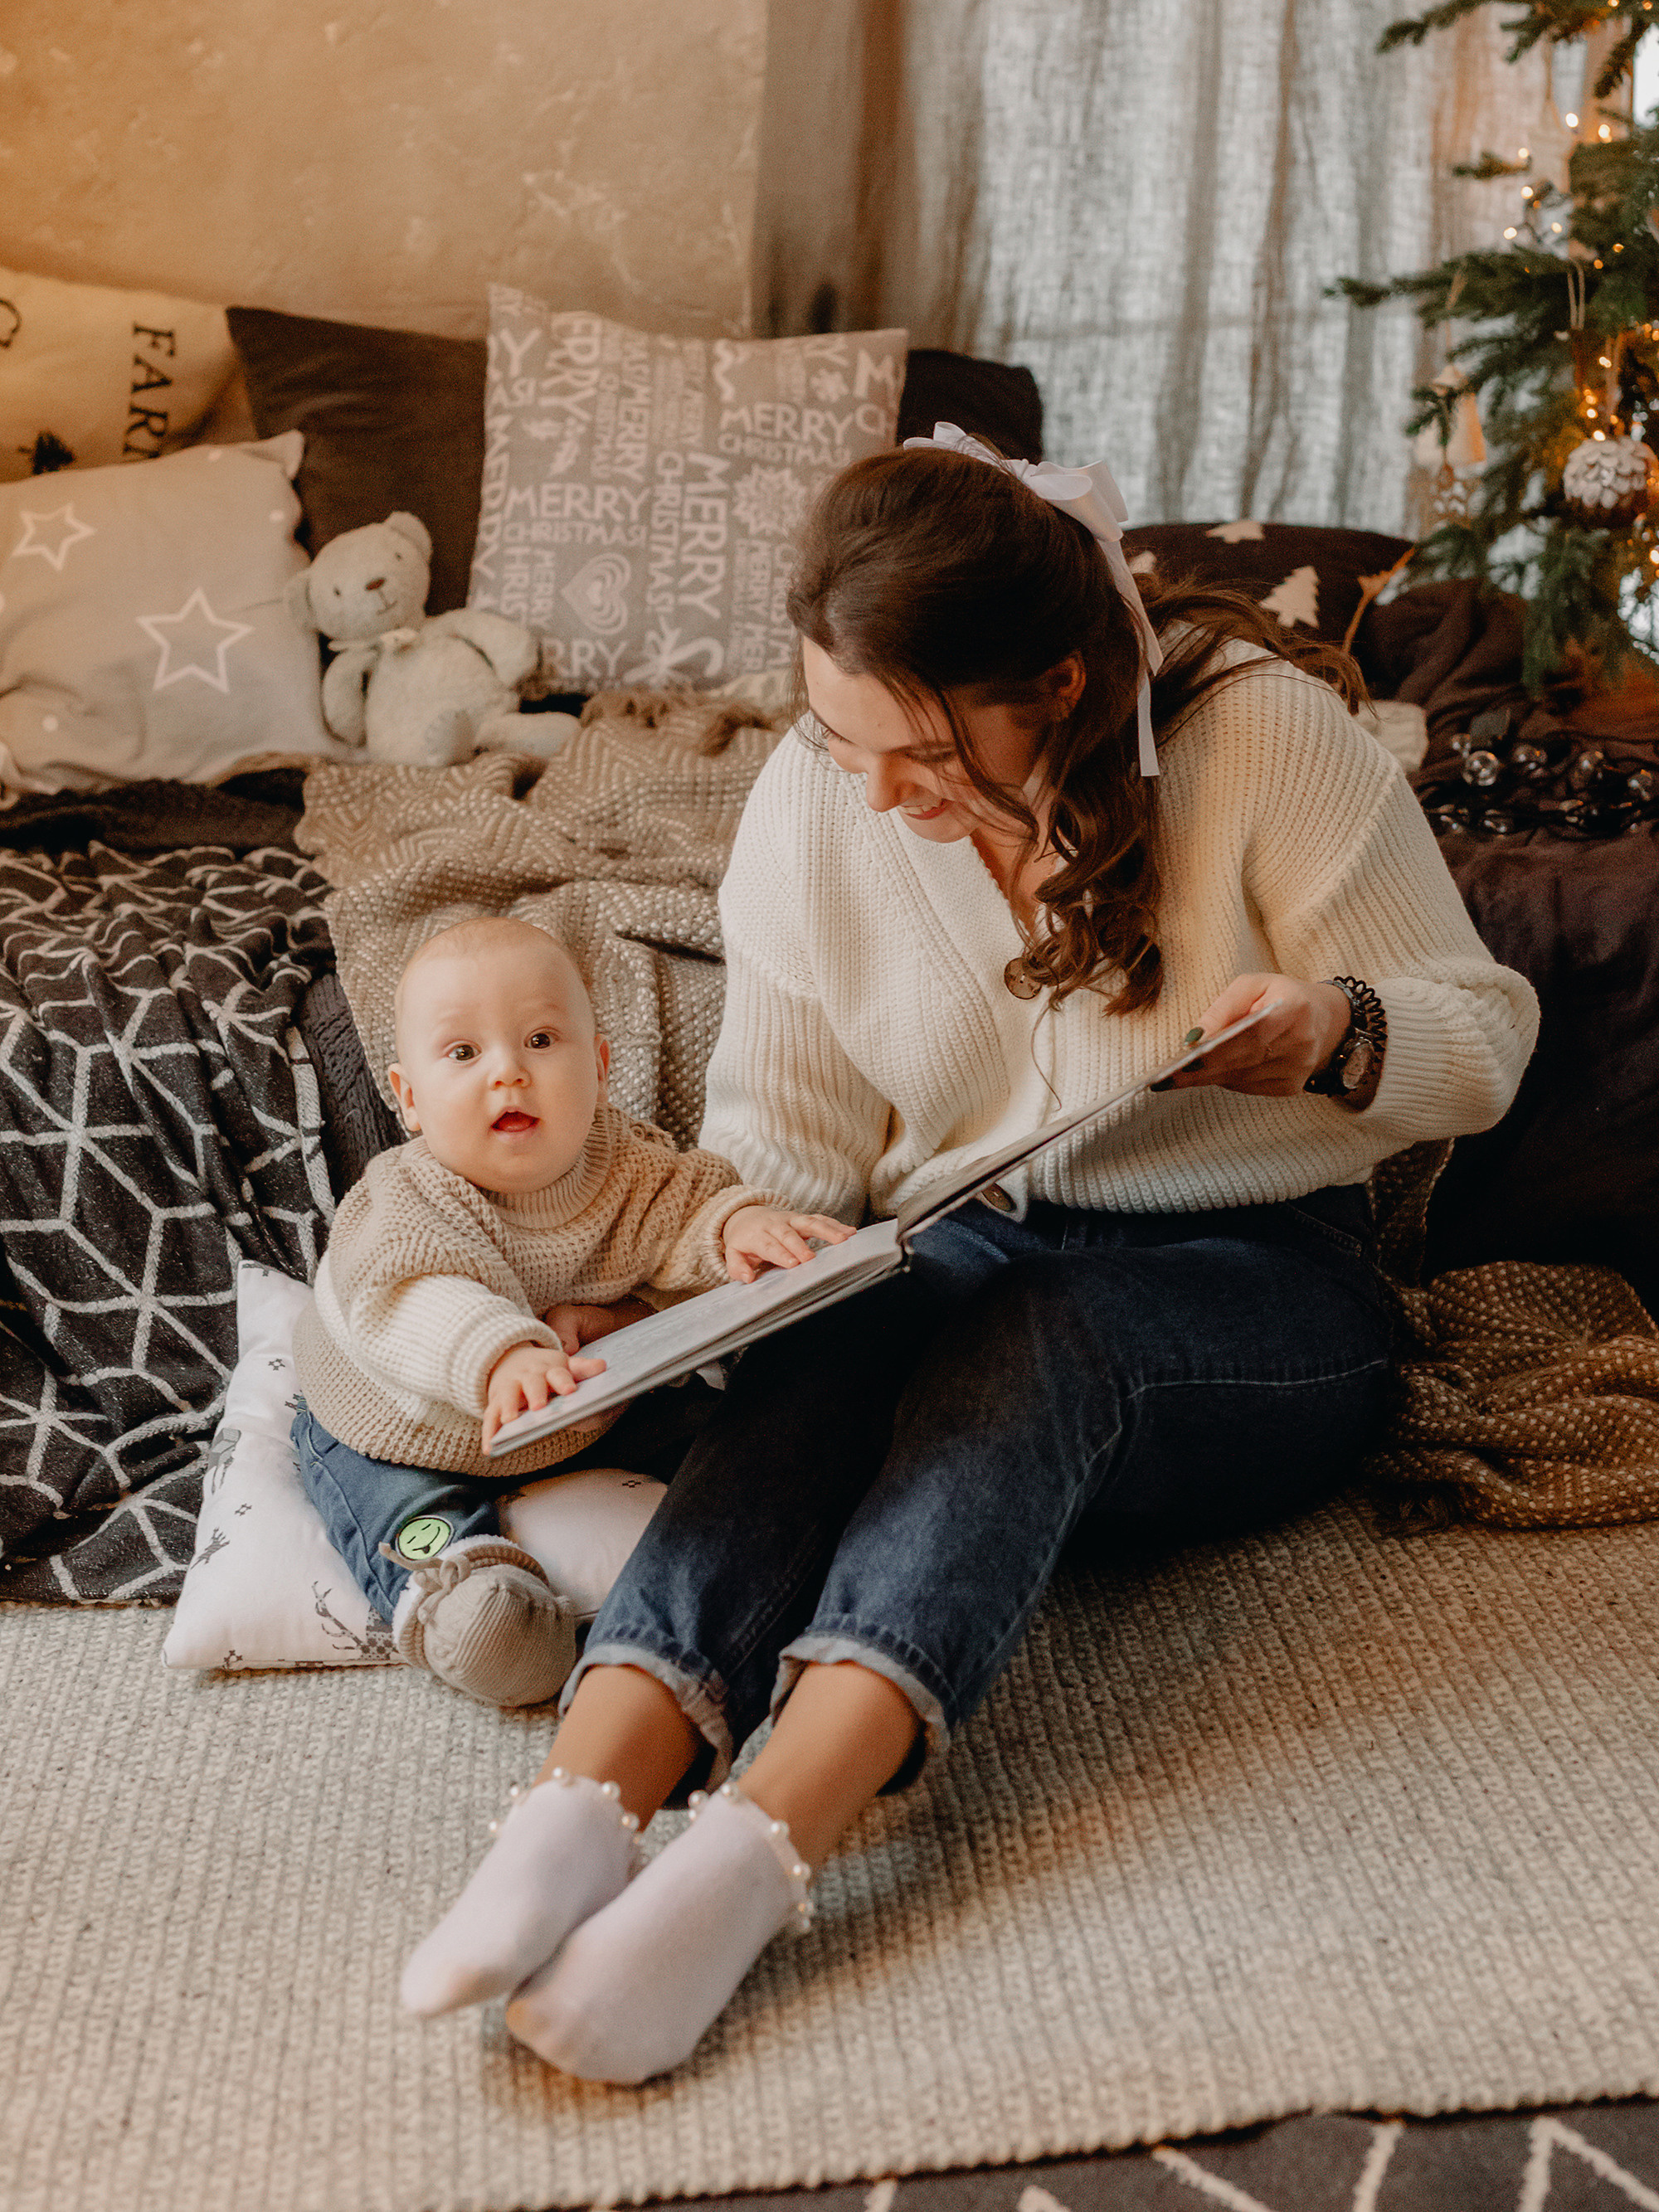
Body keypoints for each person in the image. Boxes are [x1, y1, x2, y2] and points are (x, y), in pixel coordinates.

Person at [398, 428, 1540, 2077]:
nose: (866, 788)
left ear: (1056, 689)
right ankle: (581, 1805)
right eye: (832, 730)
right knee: (832, 1329)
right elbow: (788, 1132)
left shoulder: (1260, 742)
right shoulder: (820, 791)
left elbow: (1484, 1039)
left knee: (1037, 1335)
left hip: (1266, 1285)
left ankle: (752, 1854)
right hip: (970, 1234)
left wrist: (1339, 1033)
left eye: (913, 750)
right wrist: (715, 1276)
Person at [291, 914, 849, 1709]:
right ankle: (470, 1601)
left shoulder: (623, 1160)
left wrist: (737, 1226)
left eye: (542, 1040)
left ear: (599, 1065)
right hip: (398, 1419)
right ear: (409, 1099)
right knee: (402, 1507)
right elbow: (411, 1297)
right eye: (464, 1053)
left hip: (579, 1404)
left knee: (743, 1423)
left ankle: (787, 1531)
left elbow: (682, 1207)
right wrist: (501, 1356)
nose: (508, 1073)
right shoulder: (406, 1198)